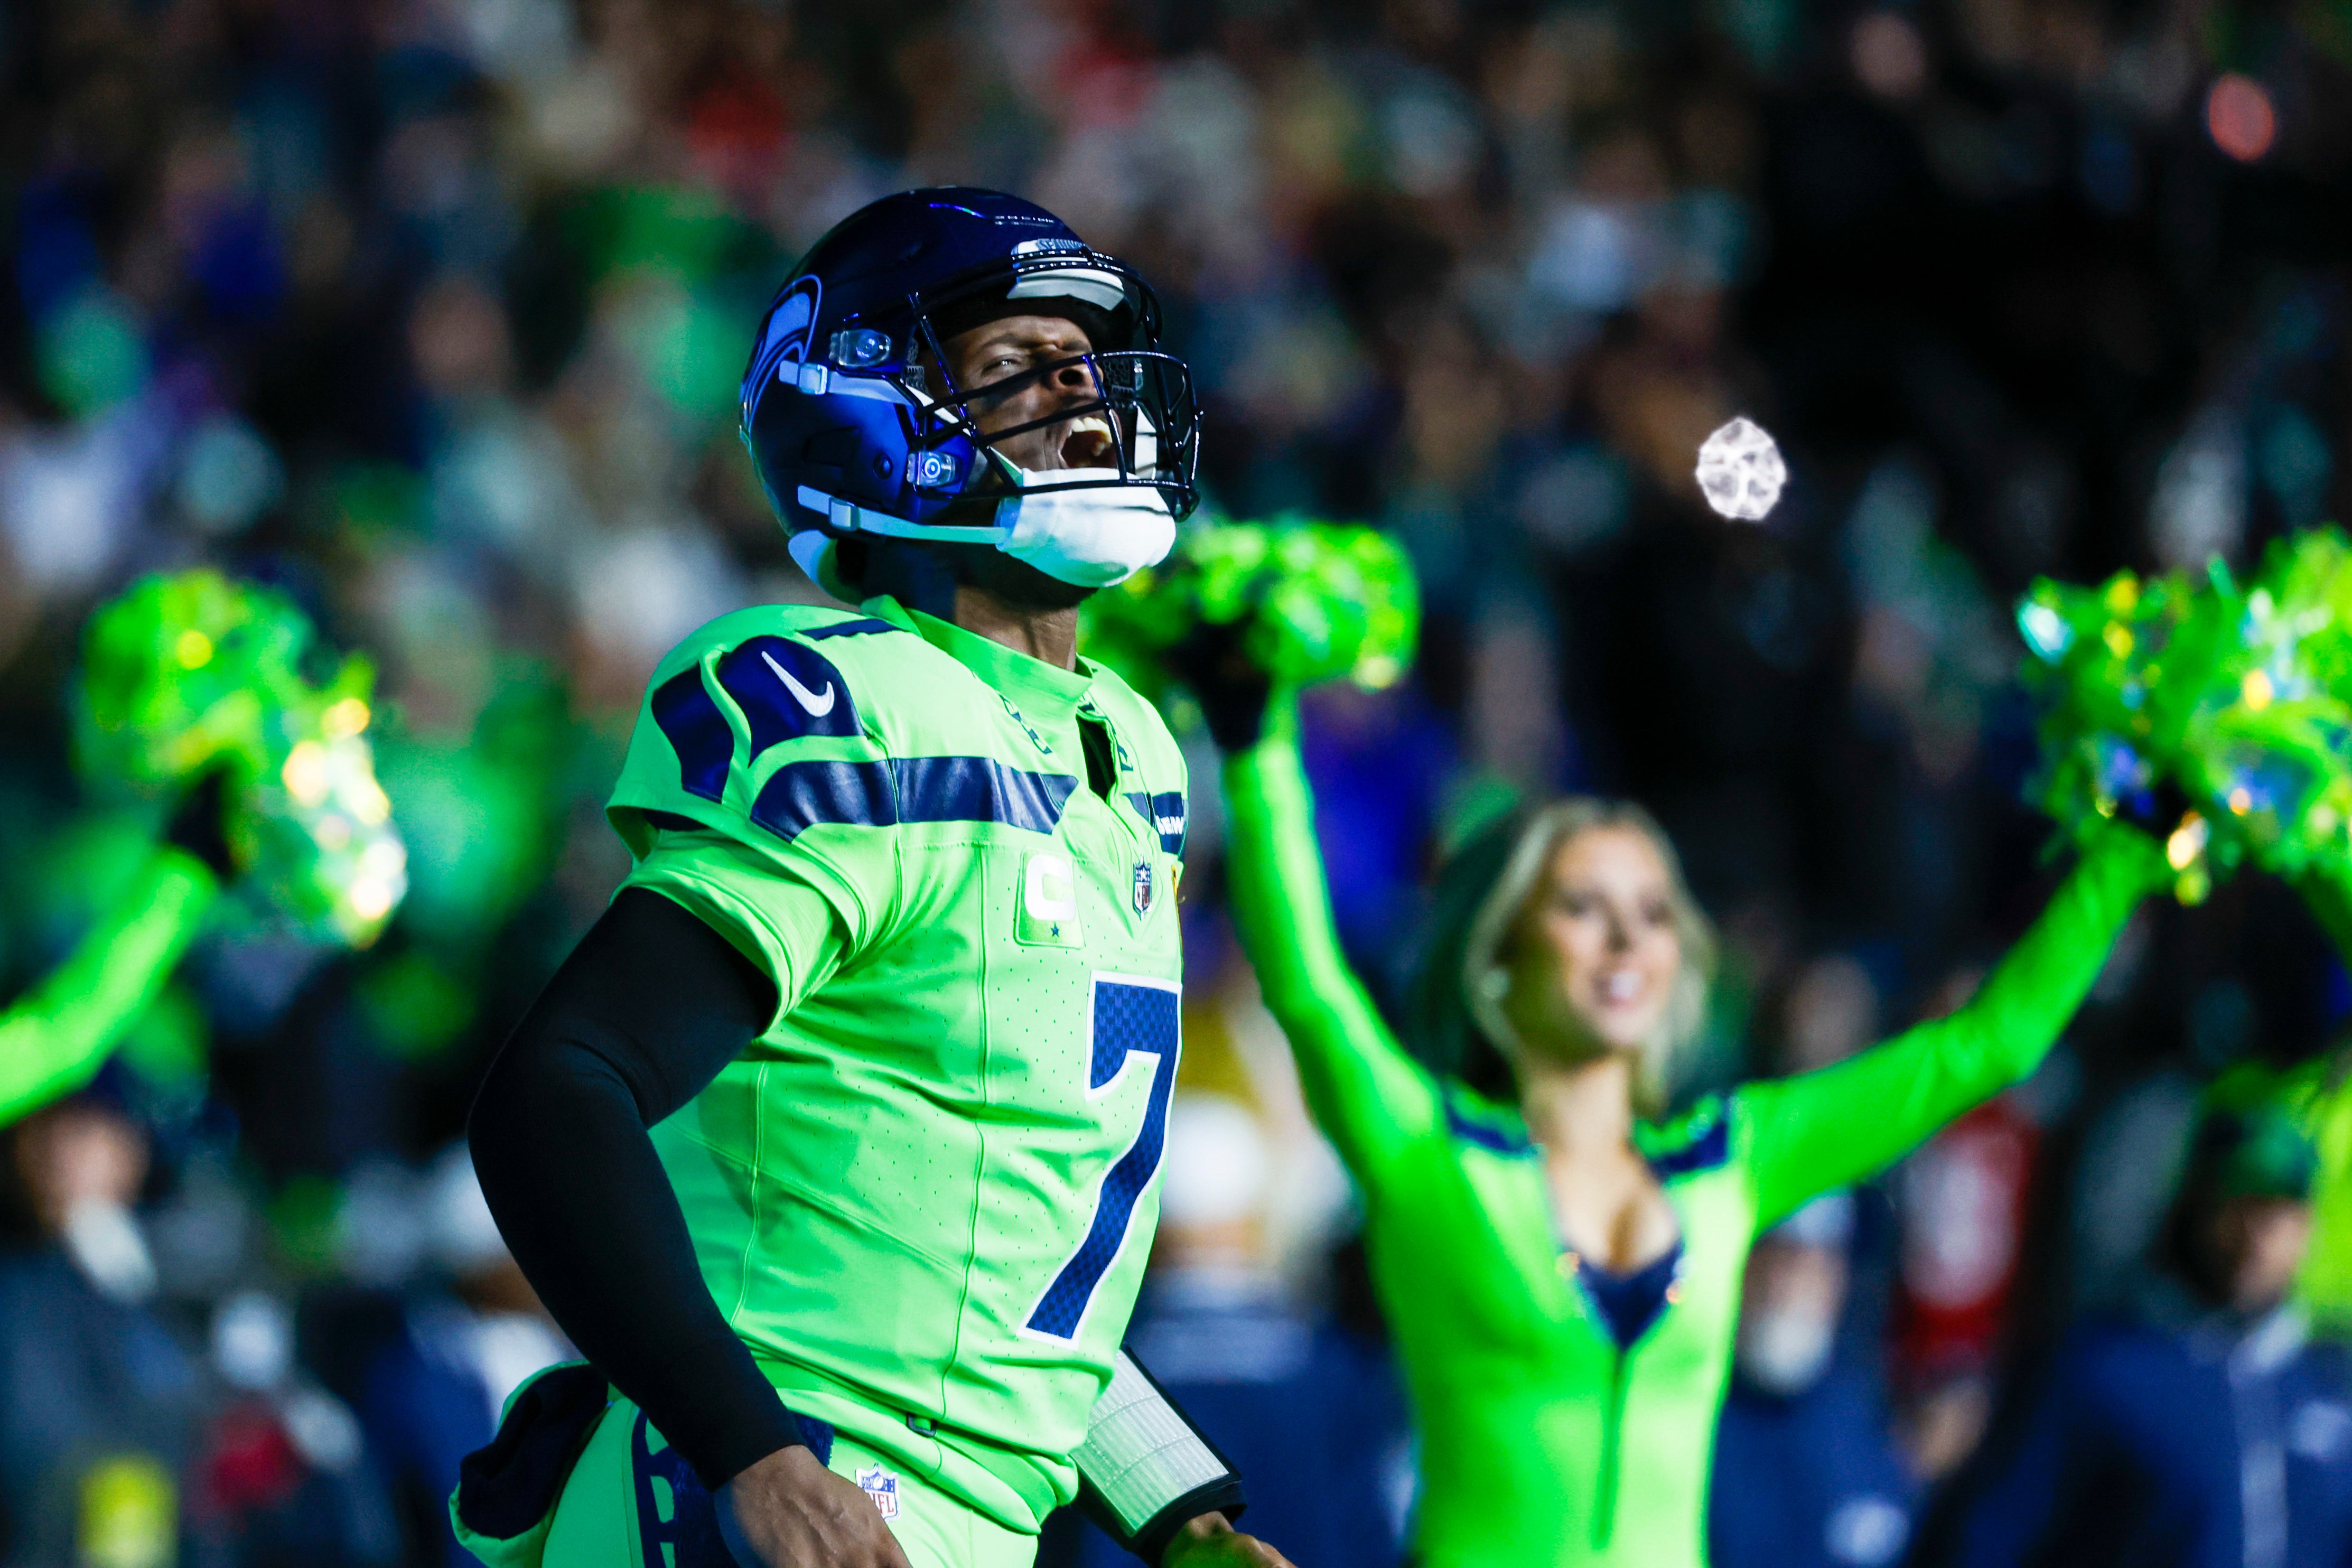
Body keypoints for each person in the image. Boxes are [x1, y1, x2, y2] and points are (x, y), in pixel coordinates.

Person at [464, 189, 1290, 1568]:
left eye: (1082, 368)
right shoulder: (854, 699)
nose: (1081, 408)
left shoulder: (1131, 750)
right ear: (871, 415)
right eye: (1013, 370)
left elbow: (1004, 1248)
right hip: (770, 1498)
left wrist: (1179, 1513)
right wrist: (752, 1451)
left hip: (948, 1522)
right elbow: (559, 1093)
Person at [1186, 661, 2172, 1567]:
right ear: (1500, 956)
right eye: (1582, 907)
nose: (1626, 939)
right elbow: (1310, 986)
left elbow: (1986, 1046)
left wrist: (2125, 850)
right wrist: (1254, 733)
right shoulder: (1430, 1151)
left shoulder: (1729, 1160)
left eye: (1654, 912)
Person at [1958, 1096, 2352, 1567]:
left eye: (2277, 1211)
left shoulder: (2328, 1383)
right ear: (2195, 1207)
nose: (2256, 1235)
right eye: (2238, 1205)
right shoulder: (2105, 1368)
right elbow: (1993, 1535)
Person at [1709, 1192, 1918, 1568]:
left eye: (1816, 1260)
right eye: (1777, 1256)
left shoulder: (1869, 1430)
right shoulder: (1686, 1417)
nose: (1790, 1284)